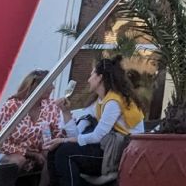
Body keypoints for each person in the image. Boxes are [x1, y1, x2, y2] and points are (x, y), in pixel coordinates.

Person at [44, 56, 145, 186]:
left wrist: (63, 140)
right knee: (54, 152)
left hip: (120, 153)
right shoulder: (99, 102)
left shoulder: (113, 102)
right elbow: (77, 135)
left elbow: (98, 136)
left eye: (91, 75)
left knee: (65, 152)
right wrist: (66, 112)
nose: (88, 79)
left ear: (100, 78)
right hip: (107, 148)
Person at [0, 69, 64, 171]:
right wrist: (31, 154)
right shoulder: (12, 106)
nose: (53, 87)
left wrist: (65, 112)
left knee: (51, 156)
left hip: (38, 156)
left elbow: (57, 133)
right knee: (19, 160)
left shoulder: (50, 107)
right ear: (37, 87)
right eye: (50, 84)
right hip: (9, 154)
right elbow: (1, 143)